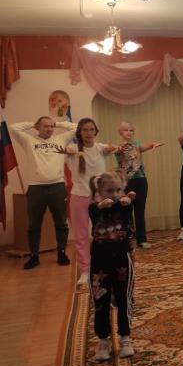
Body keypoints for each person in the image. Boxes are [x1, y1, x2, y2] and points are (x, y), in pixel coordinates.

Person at [9, 116, 77, 270]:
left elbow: (77, 127)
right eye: (45, 126)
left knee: (61, 223)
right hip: (36, 188)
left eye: (51, 126)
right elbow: (13, 127)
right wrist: (32, 123)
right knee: (34, 224)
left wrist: (57, 123)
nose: (49, 129)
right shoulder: (29, 140)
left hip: (58, 186)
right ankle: (34, 256)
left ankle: (61, 253)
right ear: (37, 127)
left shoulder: (60, 139)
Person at [61, 118, 117, 285]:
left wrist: (114, 147)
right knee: (81, 236)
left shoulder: (100, 148)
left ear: (96, 132)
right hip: (79, 197)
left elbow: (111, 148)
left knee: (106, 232)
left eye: (92, 129)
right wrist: (57, 124)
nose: (89, 133)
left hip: (100, 198)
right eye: (85, 130)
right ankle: (85, 270)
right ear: (79, 132)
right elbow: (65, 145)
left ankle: (106, 265)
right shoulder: (73, 149)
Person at [88, 171, 137, 361]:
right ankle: (103, 341)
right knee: (101, 300)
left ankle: (125, 338)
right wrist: (101, 205)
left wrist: (128, 201)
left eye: (118, 190)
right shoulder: (94, 208)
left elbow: (129, 221)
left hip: (122, 261)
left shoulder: (124, 205)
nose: (115, 195)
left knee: (124, 298)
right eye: (110, 191)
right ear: (99, 192)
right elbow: (95, 211)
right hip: (100, 263)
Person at [115, 121, 164, 250]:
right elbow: (115, 150)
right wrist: (120, 148)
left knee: (140, 211)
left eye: (131, 130)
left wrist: (153, 144)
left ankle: (141, 240)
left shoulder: (137, 144)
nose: (129, 132)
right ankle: (127, 239)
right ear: (120, 132)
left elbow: (146, 145)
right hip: (126, 182)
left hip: (141, 180)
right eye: (126, 130)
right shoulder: (118, 146)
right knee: (126, 211)